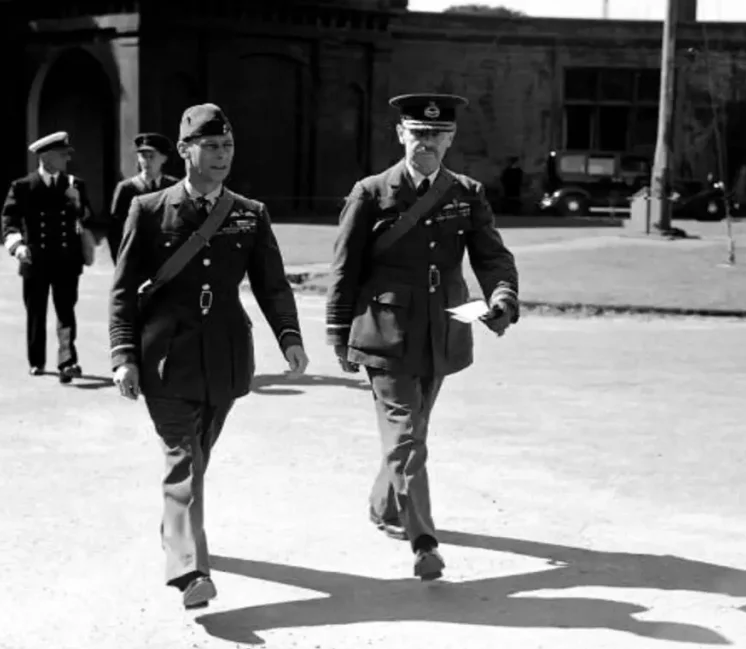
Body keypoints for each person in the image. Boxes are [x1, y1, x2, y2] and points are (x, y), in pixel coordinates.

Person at [108, 103, 309, 610]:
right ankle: (189, 570)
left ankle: (175, 531)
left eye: (228, 147)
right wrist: (123, 355)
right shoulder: (149, 209)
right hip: (166, 358)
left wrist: (289, 336)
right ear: (185, 150)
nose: (222, 156)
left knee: (198, 459)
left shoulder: (249, 213)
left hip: (225, 355)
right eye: (212, 146)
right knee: (183, 461)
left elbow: (271, 284)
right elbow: (124, 289)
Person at [325, 93, 520, 581]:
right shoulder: (371, 192)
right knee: (407, 437)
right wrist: (339, 332)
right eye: (418, 133)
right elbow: (344, 267)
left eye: (436, 135)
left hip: (443, 329)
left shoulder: (467, 193)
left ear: (450, 139)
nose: (426, 143)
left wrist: (502, 297)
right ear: (401, 135)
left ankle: (384, 505)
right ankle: (423, 541)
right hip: (385, 333)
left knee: (413, 432)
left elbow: (491, 256)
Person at [1, 131, 92, 384]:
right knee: (36, 312)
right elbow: (9, 220)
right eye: (62, 155)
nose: (67, 160)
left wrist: (78, 205)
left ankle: (67, 361)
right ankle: (36, 360)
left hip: (66, 259)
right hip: (35, 259)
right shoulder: (23, 186)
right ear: (46, 157)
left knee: (66, 311)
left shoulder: (74, 184)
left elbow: (88, 216)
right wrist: (17, 246)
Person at [107, 132, 180, 263]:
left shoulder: (173, 186)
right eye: (143, 156)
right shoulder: (127, 188)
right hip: (136, 256)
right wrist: (120, 261)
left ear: (164, 158)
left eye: (151, 156)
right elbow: (115, 229)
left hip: (166, 257)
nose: (146, 161)